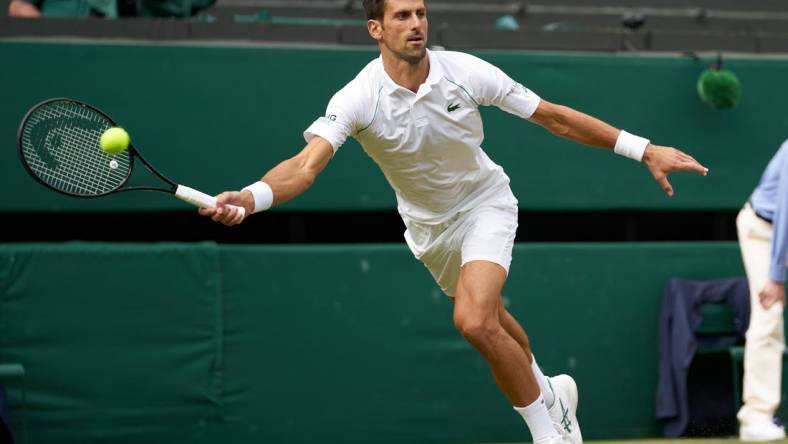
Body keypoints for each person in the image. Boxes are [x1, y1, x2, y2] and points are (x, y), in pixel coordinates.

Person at [199, 0, 708, 442]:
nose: (416, 23)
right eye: (401, 16)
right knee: (497, 324)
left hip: (486, 204)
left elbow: (553, 116)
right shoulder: (357, 98)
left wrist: (642, 150)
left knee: (474, 320)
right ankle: (553, 395)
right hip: (428, 231)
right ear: (376, 29)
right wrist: (250, 197)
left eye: (421, 13)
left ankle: (549, 435)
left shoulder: (465, 71)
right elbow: (304, 167)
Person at [736, 139, 788, 442]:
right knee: (769, 315)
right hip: (764, 231)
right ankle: (755, 418)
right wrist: (777, 277)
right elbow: (785, 212)